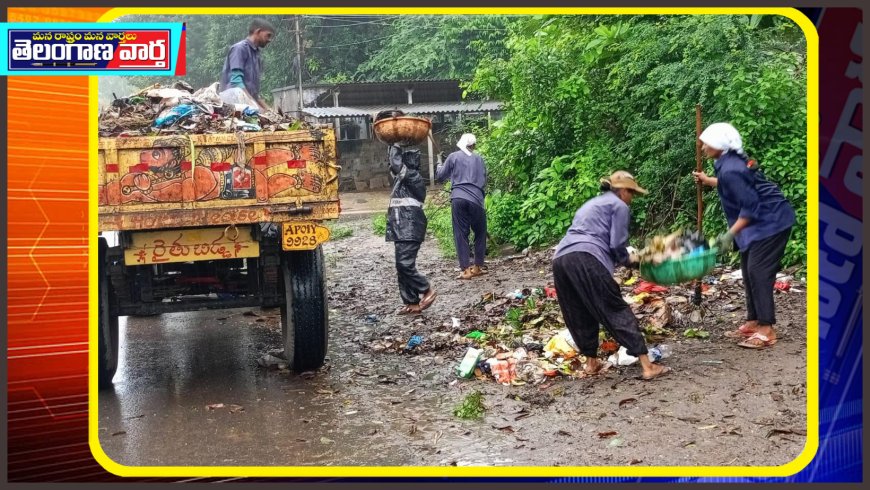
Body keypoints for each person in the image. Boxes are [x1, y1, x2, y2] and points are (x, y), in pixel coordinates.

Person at [552, 171, 670, 381]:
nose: (631, 199)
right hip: (587, 257)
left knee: (578, 310)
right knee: (614, 308)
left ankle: (591, 362)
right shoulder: (619, 206)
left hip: (561, 258)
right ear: (623, 191)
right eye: (631, 193)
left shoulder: (591, 204)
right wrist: (636, 260)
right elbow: (617, 246)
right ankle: (647, 365)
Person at [693, 122, 796, 349]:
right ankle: (752, 321)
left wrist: (728, 235)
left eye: (706, 143)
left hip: (771, 220)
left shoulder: (732, 168)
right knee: (748, 272)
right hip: (757, 223)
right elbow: (736, 185)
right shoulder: (726, 163)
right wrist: (709, 180)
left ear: (719, 145)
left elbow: (750, 207)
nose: (702, 148)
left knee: (759, 272)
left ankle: (767, 329)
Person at [385, 144, 437, 315]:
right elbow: (392, 165)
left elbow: (396, 165)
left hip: (410, 228)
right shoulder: (401, 180)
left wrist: (395, 145)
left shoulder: (413, 176)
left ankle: (426, 288)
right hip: (401, 228)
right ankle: (412, 303)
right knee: (402, 267)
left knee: (404, 264)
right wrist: (391, 148)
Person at [435, 133, 488, 279]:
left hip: (458, 198)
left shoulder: (453, 157)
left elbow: (440, 176)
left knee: (461, 233)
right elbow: (484, 180)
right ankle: (477, 267)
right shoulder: (480, 159)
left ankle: (465, 270)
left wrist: (439, 161)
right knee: (480, 232)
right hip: (477, 199)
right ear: (474, 146)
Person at [220, 18, 275, 112]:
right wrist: (255, 106)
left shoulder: (256, 55)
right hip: (233, 103)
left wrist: (269, 110)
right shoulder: (240, 49)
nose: (269, 40)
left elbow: (254, 93)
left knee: (270, 115)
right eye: (268, 35)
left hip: (247, 102)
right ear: (258, 31)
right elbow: (236, 82)